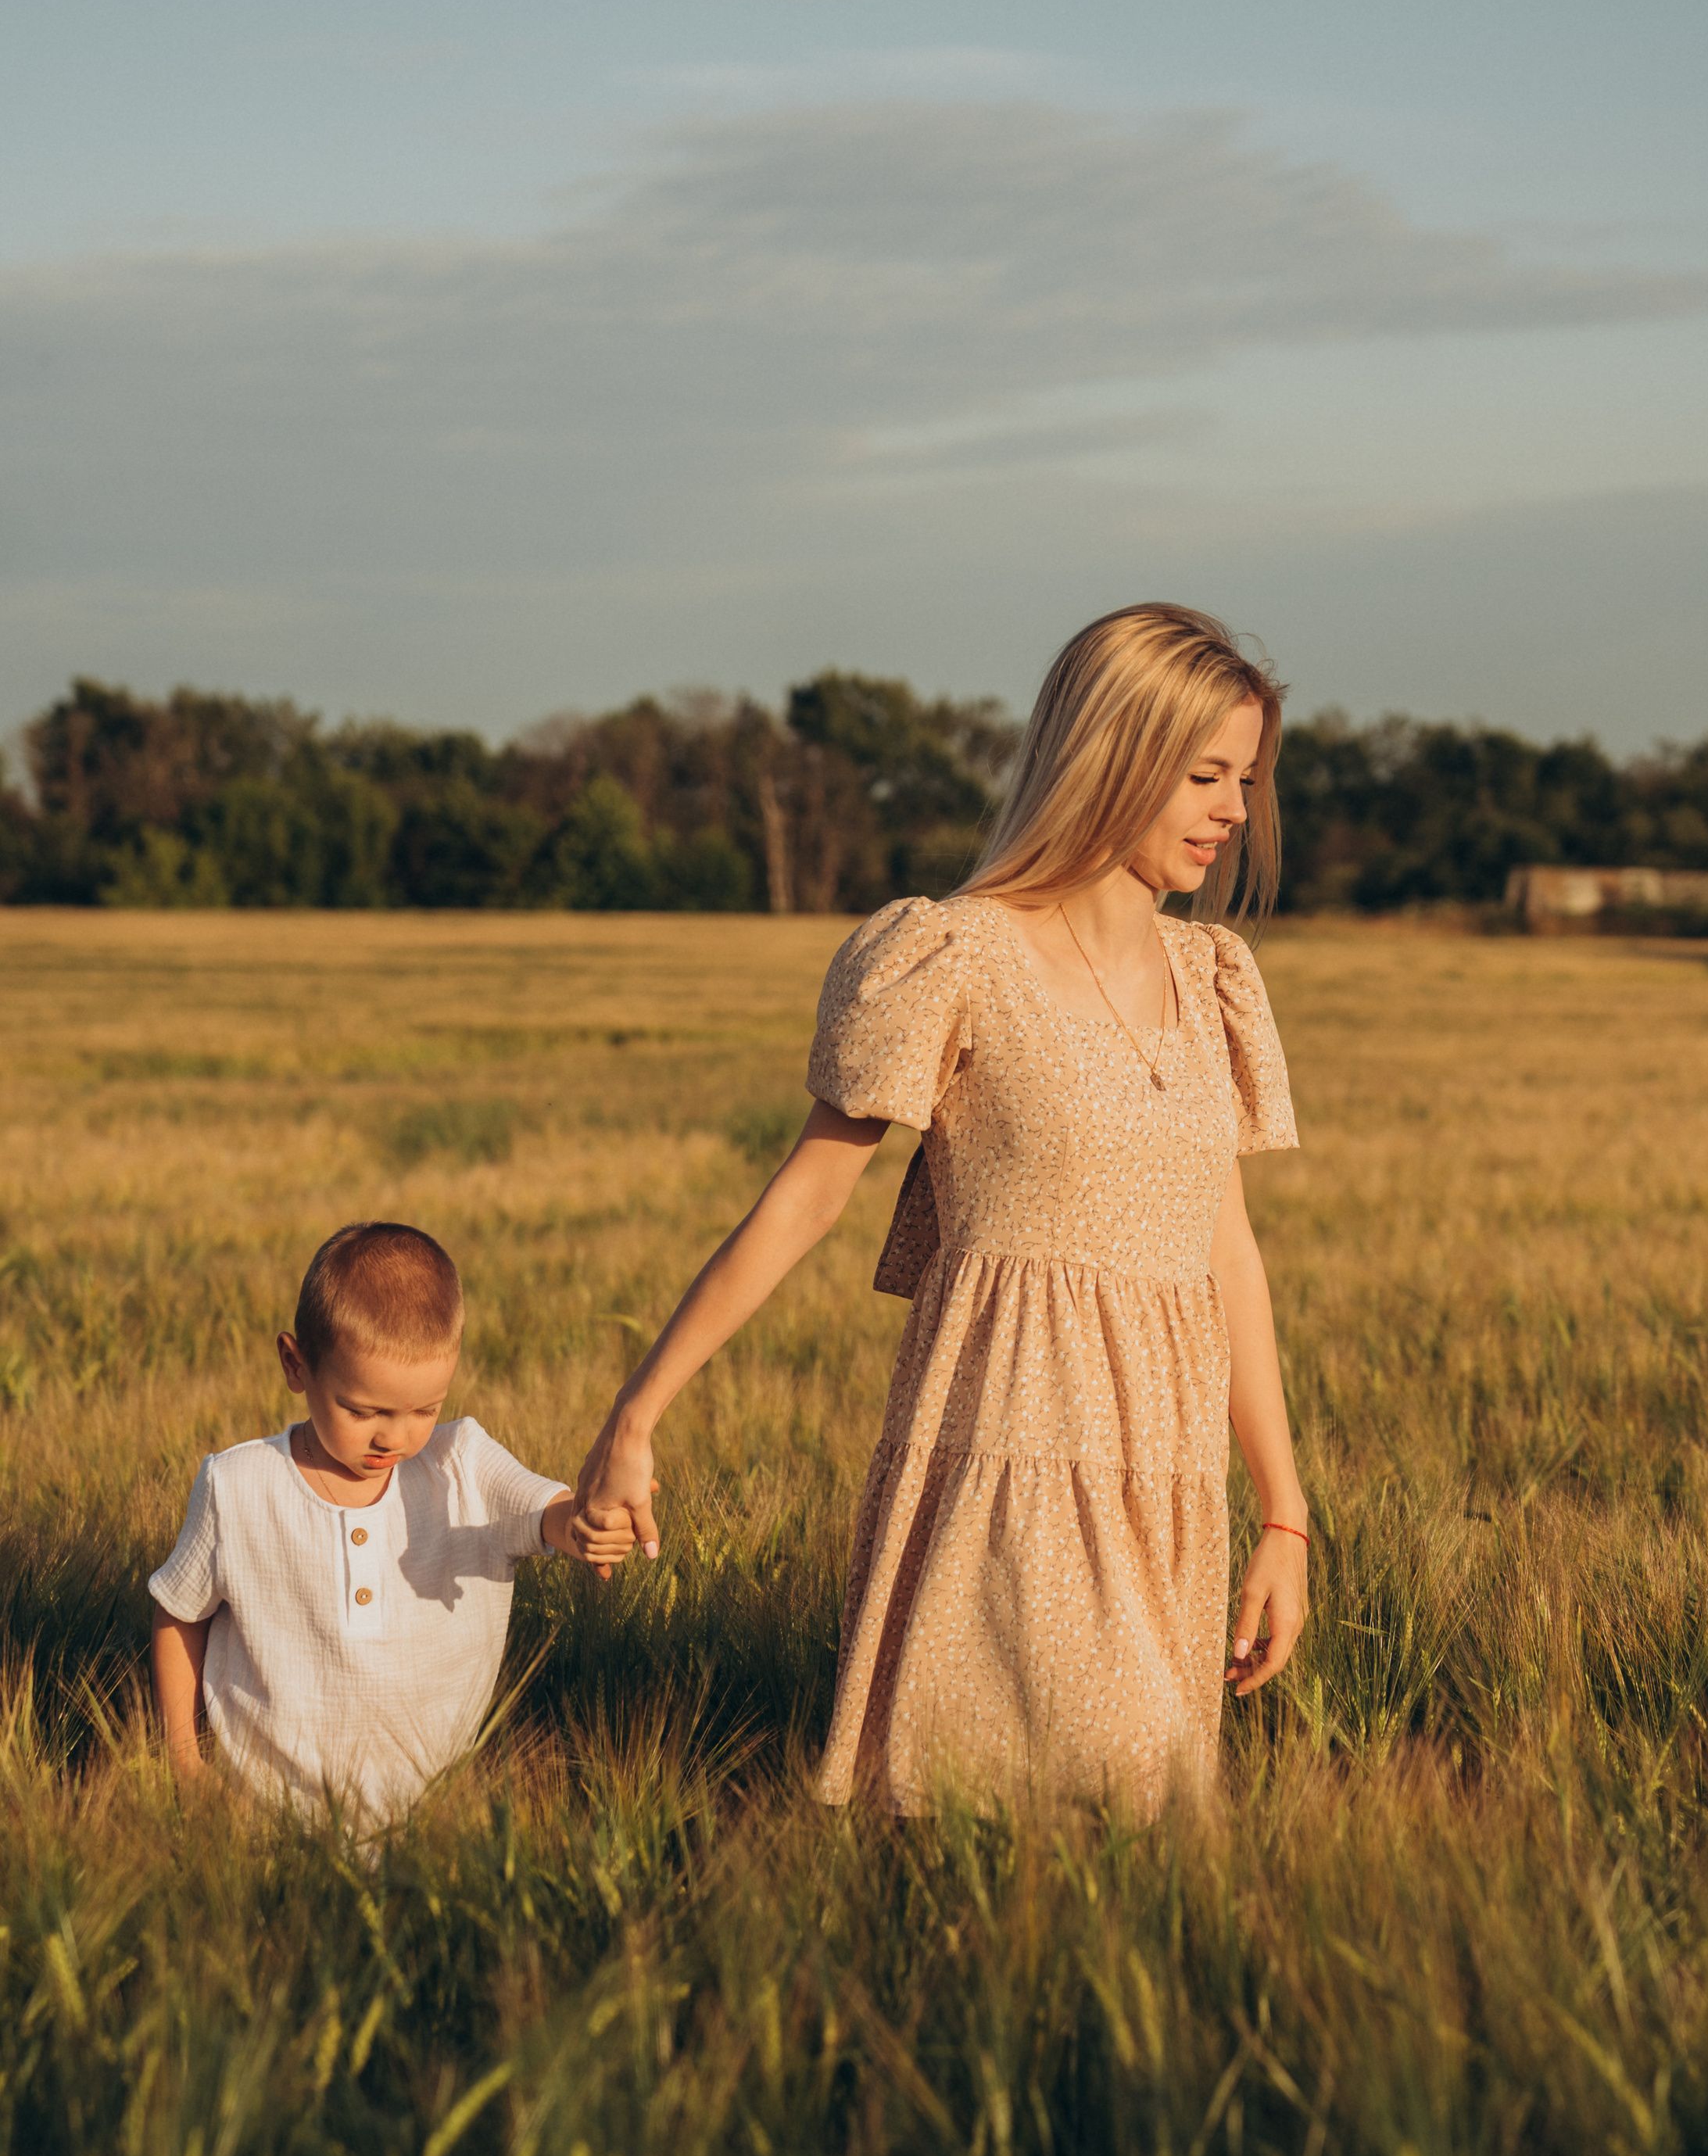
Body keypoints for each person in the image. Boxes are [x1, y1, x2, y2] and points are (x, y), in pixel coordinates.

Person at [575, 603, 1309, 1815]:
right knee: (1008, 1798)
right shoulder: (956, 955)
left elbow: (1224, 1245)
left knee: (1130, 1826)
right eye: (1204, 774)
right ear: (1112, 755)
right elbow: (808, 1196)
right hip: (1015, 1435)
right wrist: (637, 1413)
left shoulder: (1215, 977)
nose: (1236, 809)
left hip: (1170, 1471)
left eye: (1249, 776)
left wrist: (1283, 1515)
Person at [149, 1221, 632, 1820]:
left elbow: (549, 1513)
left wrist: (589, 1526)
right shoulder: (239, 1485)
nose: (394, 1436)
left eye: (425, 1409)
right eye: (363, 1410)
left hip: (431, 1817)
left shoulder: (463, 1465)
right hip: (257, 1812)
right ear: (296, 1366)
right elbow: (179, 1611)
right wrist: (183, 1758)